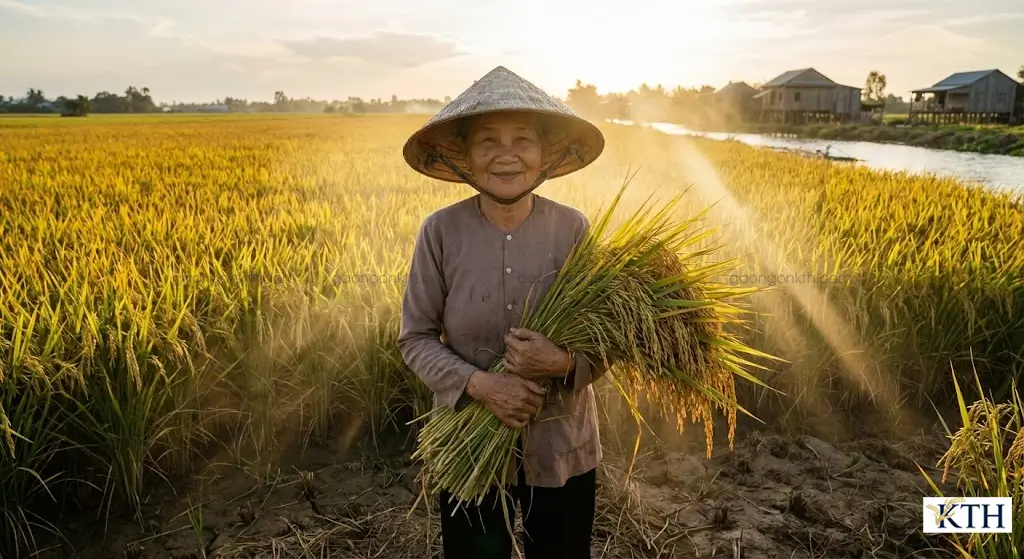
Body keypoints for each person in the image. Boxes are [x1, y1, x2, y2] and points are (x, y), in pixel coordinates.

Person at [397, 66, 609, 559]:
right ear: (466, 158)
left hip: (561, 445)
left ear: (545, 156)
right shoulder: (440, 232)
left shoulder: (573, 230)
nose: (506, 154)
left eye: (523, 140)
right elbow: (416, 337)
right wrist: (482, 386)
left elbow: (609, 337)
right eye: (488, 140)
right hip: (467, 447)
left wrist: (560, 362)